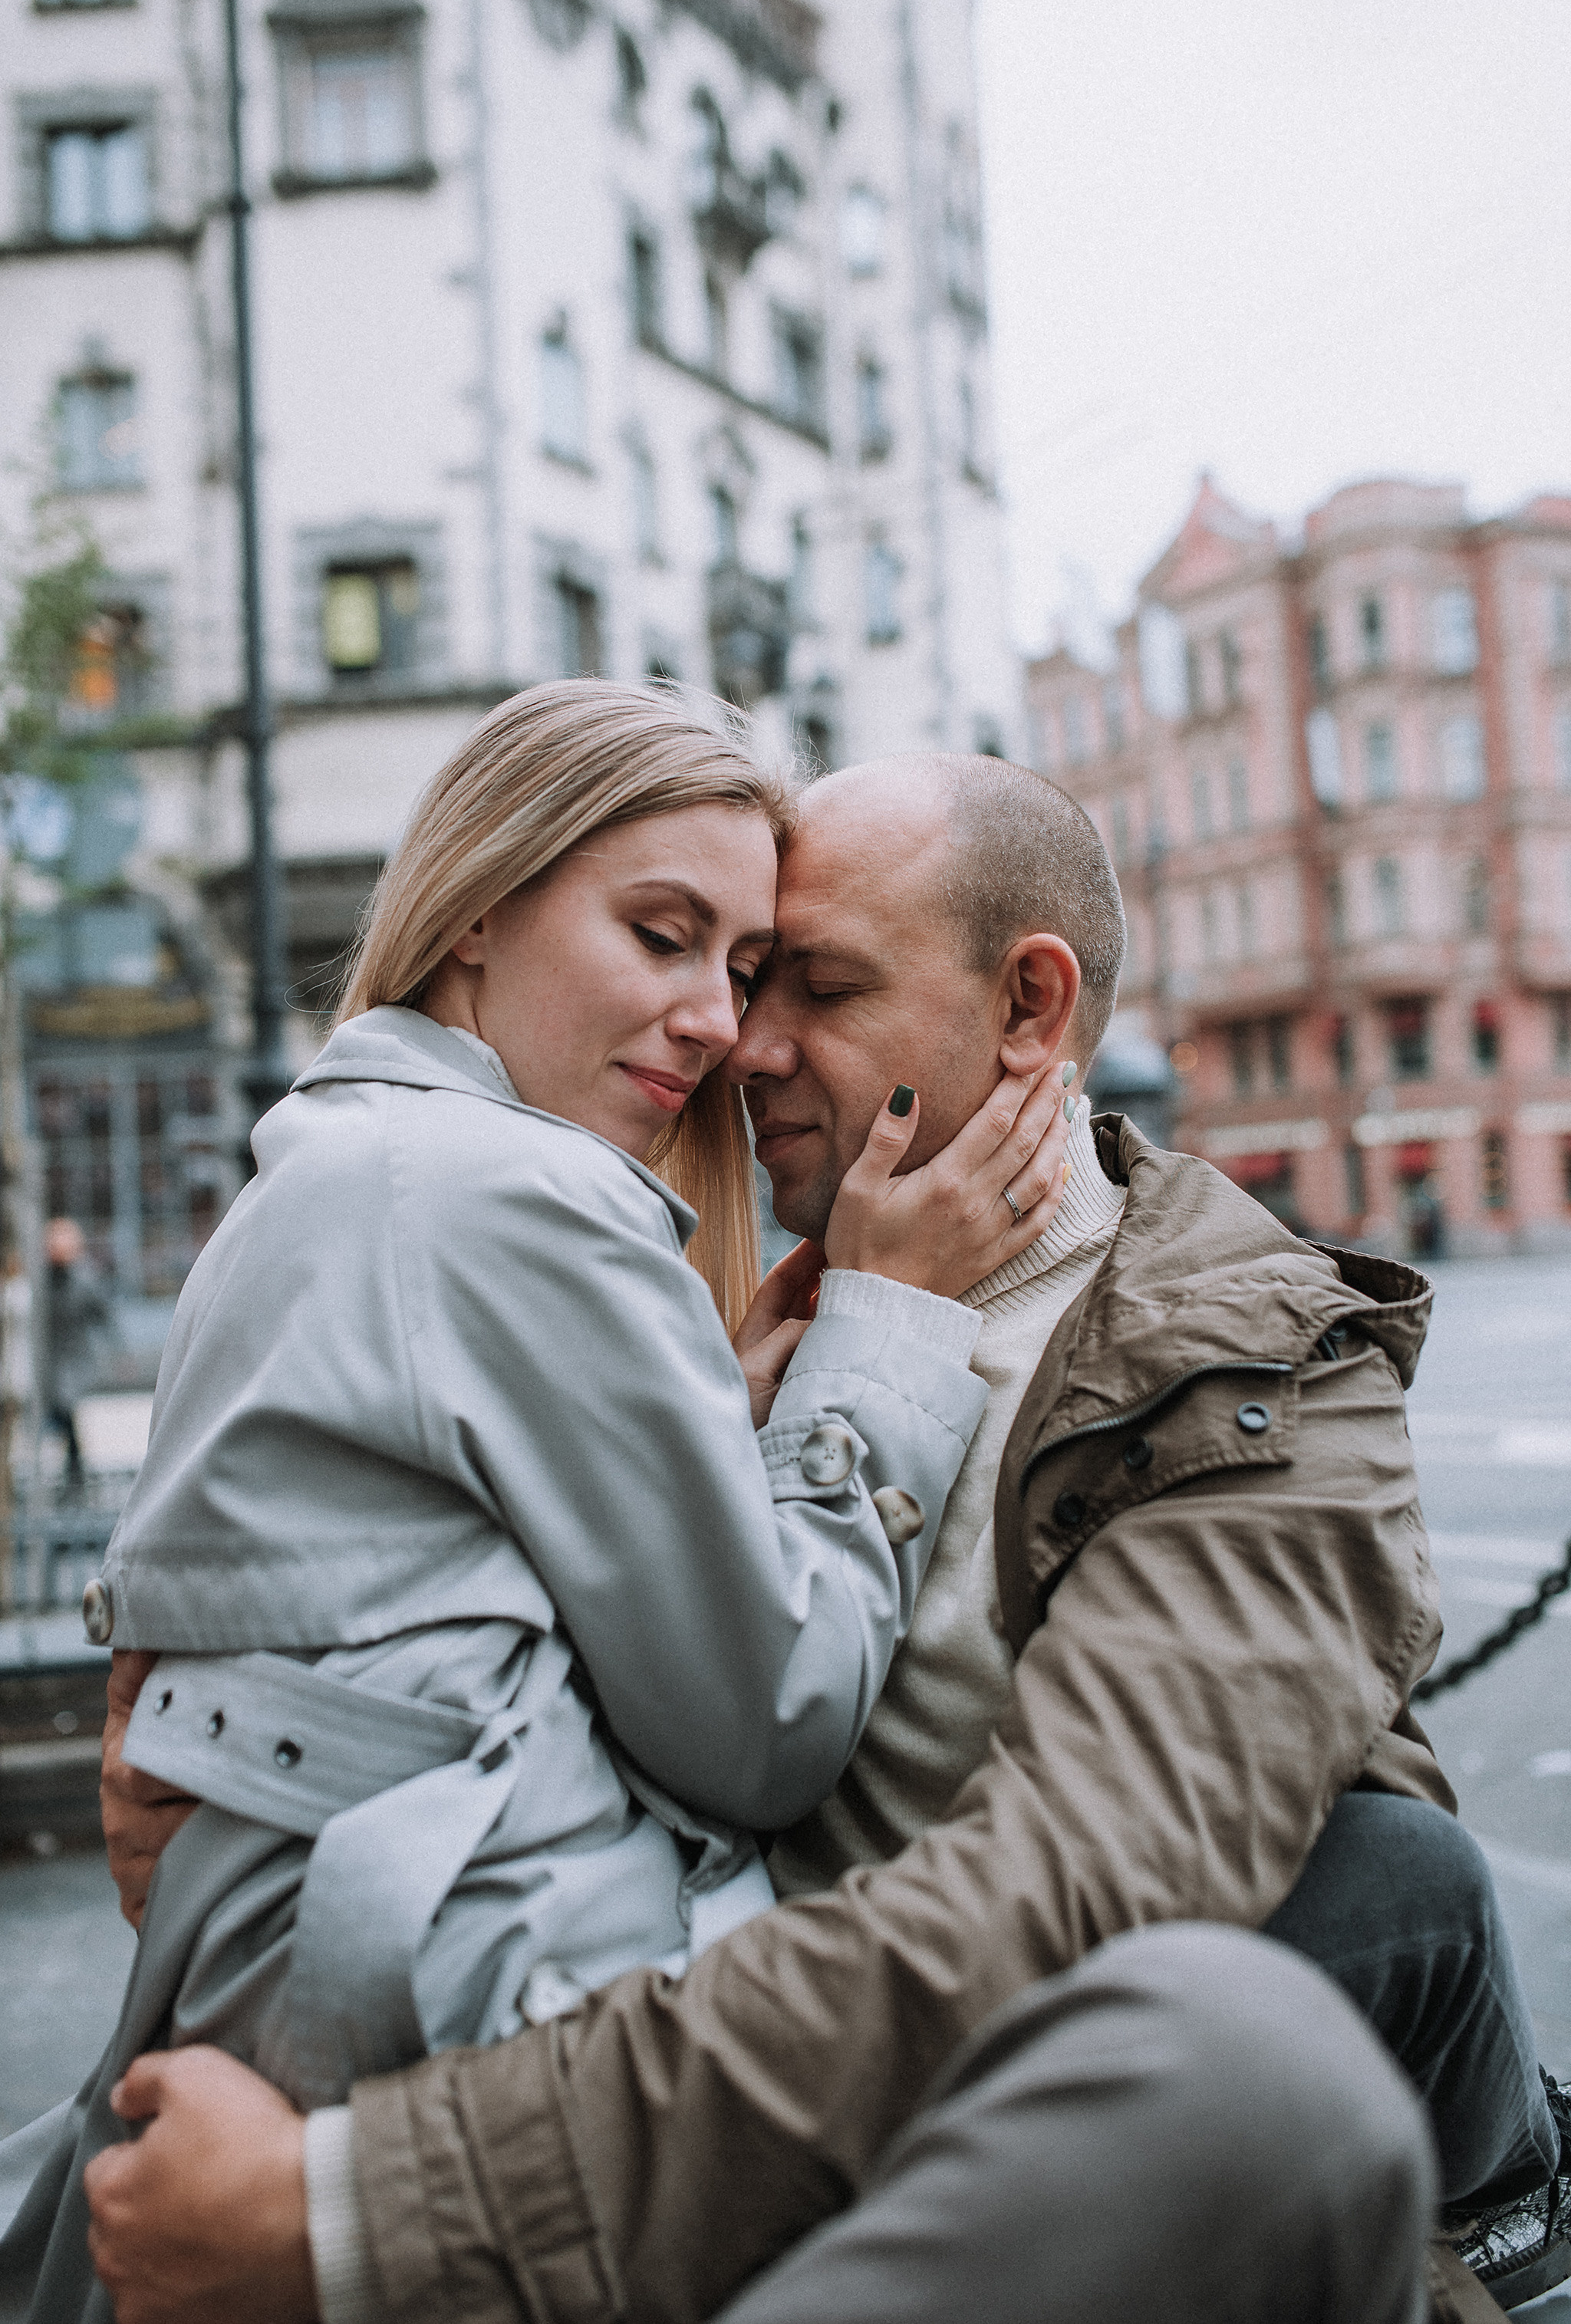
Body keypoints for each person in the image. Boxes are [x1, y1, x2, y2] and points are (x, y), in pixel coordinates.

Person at [80, 755, 1569, 2322]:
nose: (742, 1040)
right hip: (689, 2141)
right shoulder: (763, 1306)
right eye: (735, 973)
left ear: (1029, 1008)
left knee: (1386, 1887)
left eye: (820, 984)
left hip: (948, 2199)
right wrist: (245, 1730)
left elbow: (1054, 1909)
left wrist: (370, 2199)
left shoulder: (1241, 1382)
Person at [0, 691, 1076, 2324]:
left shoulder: (336, 1153)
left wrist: (717, 1422)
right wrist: (892, 1326)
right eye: (660, 933)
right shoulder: (517, 1190)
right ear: (477, 906)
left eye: (744, 966)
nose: (716, 1022)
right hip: (472, 1984)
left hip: (314, 1963)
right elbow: (767, 1722)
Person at [41, 1217, 112, 1493]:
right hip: (50, 1358)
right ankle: (71, 1471)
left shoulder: (84, 1279)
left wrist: (120, 1352)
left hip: (74, 1358)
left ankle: (75, 1474)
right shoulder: (43, 1279)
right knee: (59, 1412)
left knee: (65, 1406)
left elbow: (103, 1316)